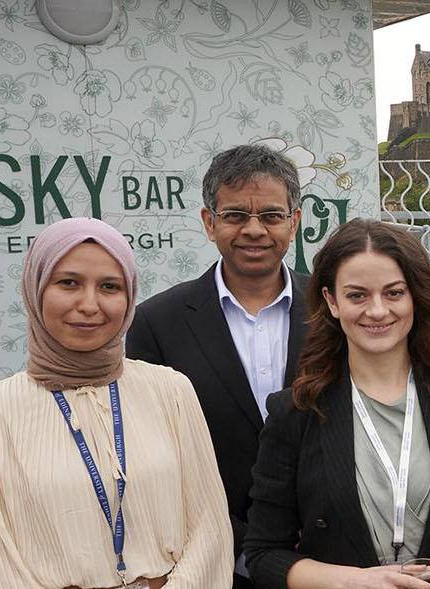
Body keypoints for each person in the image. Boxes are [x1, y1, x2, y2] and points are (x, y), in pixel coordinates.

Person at [0, 217, 233, 588]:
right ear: (35, 288)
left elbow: (209, 526)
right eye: (68, 283)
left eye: (109, 286)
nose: (89, 305)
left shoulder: (170, 390)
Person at [243, 219, 430, 589]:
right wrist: (354, 582)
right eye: (357, 295)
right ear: (331, 301)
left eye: (394, 293)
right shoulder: (297, 412)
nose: (377, 311)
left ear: (415, 297)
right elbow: (265, 552)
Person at [127, 144, 308, 588]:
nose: (254, 230)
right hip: (214, 562)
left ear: (295, 221)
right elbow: (154, 458)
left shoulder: (335, 311)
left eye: (270, 215)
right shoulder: (157, 323)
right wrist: (236, 546)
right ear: (209, 223)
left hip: (327, 556)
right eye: (234, 216)